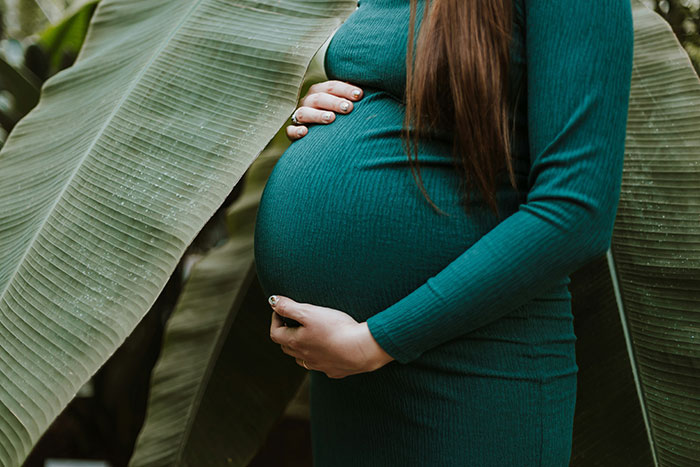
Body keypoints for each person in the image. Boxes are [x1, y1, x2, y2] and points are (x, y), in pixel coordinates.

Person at [254, 0, 634, 465]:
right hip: (347, 373)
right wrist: (329, 107)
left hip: (469, 373)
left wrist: (377, 341)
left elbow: (576, 213)